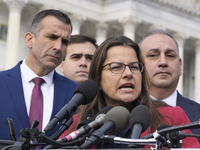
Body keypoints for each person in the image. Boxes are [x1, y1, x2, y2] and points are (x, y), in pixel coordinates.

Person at [60, 36, 199, 148]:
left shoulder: (172, 117)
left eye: (134, 67)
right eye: (116, 67)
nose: (128, 74)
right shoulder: (77, 126)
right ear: (98, 78)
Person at [0, 9, 78, 140]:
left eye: (64, 42)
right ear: (29, 39)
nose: (58, 47)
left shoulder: (76, 94)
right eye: (52, 37)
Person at [139, 29, 200, 142]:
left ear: (180, 65)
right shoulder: (124, 115)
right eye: (153, 55)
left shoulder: (197, 113)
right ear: (139, 65)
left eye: (170, 56)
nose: (163, 62)